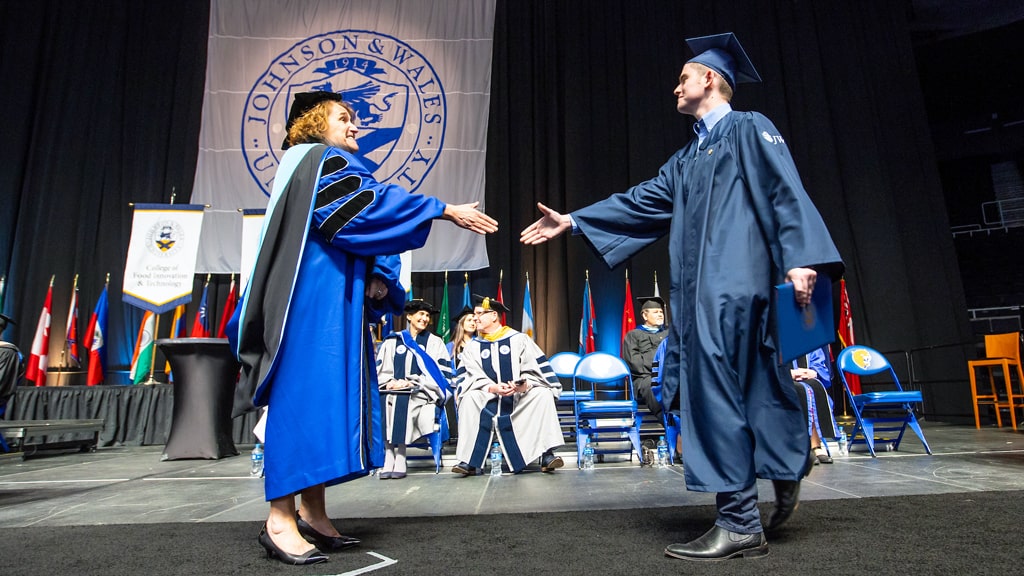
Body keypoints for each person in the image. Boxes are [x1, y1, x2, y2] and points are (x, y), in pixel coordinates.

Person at [520, 33, 843, 560]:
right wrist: (574, 221)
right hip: (700, 295)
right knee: (758, 383)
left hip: (736, 288)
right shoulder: (689, 154)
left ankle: (739, 522)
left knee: (716, 396)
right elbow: (644, 200)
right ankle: (785, 466)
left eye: (683, 78)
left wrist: (801, 258)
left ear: (709, 79)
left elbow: (788, 188)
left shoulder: (747, 127)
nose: (676, 87)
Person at [233, 91, 497, 565]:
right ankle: (278, 519)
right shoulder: (318, 158)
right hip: (310, 302)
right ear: (315, 124)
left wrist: (381, 274)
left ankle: (312, 512)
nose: (354, 126)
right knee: (302, 401)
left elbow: (355, 226)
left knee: (322, 403)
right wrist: (440, 208)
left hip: (333, 300)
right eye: (343, 118)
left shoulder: (317, 162)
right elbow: (357, 213)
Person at [451, 295, 564, 475]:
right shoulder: (472, 347)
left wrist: (523, 385)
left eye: (479, 314)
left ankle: (546, 453)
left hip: (517, 397)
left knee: (542, 393)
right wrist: (492, 387)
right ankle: (470, 459)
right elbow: (469, 377)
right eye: (474, 314)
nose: (475, 318)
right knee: (469, 397)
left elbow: (536, 371)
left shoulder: (519, 340)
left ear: (494, 316)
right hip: (487, 396)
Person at [375, 299, 453, 479]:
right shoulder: (392, 341)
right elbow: (382, 369)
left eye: (427, 315)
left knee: (403, 400)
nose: (425, 318)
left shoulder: (435, 343)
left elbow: (441, 376)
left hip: (422, 392)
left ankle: (401, 454)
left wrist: (412, 383)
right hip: (392, 388)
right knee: (385, 399)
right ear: (409, 316)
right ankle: (388, 454)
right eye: (421, 314)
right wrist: (390, 383)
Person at [621, 296, 669, 420]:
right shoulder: (633, 335)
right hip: (645, 377)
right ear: (645, 316)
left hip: (668, 375)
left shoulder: (669, 334)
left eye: (661, 312)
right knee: (652, 385)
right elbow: (634, 362)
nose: (660, 315)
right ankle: (669, 424)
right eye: (655, 312)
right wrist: (660, 360)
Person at [791, 346, 839, 465]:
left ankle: (815, 446)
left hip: (805, 380)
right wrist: (788, 373)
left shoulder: (807, 340)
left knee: (814, 389)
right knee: (801, 391)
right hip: (781, 382)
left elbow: (819, 364)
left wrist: (812, 372)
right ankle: (803, 448)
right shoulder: (771, 336)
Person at [446, 305, 477, 370]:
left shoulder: (479, 344)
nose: (472, 323)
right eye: (469, 320)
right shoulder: (450, 347)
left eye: (474, 321)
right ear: (461, 323)